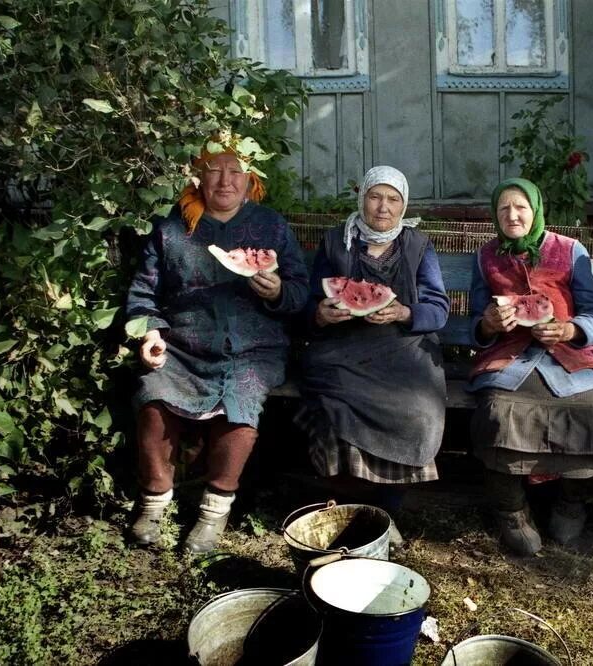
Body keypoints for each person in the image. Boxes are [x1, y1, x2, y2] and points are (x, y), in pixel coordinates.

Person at [125, 132, 309, 554]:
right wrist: (151, 332)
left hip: (254, 348)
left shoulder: (270, 226)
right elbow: (143, 293)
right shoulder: (173, 228)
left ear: (250, 179)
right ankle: (154, 501)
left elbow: (300, 293)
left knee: (240, 403)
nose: (225, 181)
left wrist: (279, 291)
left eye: (235, 171)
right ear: (199, 178)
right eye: (214, 170)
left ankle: (213, 512)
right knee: (151, 395)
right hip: (182, 346)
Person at [467, 178, 593, 556]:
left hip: (570, 356)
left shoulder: (570, 250)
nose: (512, 215)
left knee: (589, 411)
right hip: (510, 358)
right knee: (497, 410)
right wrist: (488, 325)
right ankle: (511, 510)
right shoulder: (485, 257)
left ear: (535, 210)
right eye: (503, 209)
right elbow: (476, 323)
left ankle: (571, 503)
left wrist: (570, 329)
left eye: (521, 207)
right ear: (495, 215)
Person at [294, 166, 449, 515]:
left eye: (393, 199)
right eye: (375, 196)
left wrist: (405, 313)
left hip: (405, 350)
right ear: (362, 199)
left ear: (404, 205)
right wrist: (320, 314)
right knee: (334, 405)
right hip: (341, 349)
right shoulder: (336, 241)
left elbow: (438, 309)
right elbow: (311, 303)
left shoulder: (418, 246)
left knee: (419, 411)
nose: (383, 207)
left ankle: (386, 510)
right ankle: (350, 506)